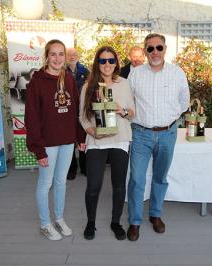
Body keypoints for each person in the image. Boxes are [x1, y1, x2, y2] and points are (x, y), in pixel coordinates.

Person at [127, 33, 190, 241]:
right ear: (145, 51)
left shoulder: (177, 73)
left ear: (165, 49)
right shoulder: (135, 74)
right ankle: (135, 221)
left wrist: (168, 119)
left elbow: (184, 103)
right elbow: (128, 102)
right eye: (150, 48)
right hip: (141, 134)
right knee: (136, 179)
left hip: (167, 134)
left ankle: (155, 214)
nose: (155, 52)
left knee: (160, 178)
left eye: (159, 48)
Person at [25, 40, 84, 241]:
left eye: (61, 54)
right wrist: (38, 149)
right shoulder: (37, 82)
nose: (57, 58)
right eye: (53, 54)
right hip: (47, 144)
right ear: (47, 56)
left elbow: (75, 111)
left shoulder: (68, 79)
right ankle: (45, 223)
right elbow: (31, 118)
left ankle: (58, 218)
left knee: (61, 182)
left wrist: (79, 137)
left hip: (67, 141)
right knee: (45, 183)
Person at [79, 46, 135, 240]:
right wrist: (92, 131)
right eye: (103, 61)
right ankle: (91, 222)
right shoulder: (89, 86)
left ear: (116, 63)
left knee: (119, 185)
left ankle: (115, 222)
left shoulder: (124, 84)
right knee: (93, 185)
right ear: (97, 63)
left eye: (111, 60)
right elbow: (82, 117)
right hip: (97, 141)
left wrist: (122, 111)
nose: (107, 64)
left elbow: (132, 113)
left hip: (120, 140)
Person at [66, 47, 89, 180]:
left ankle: (85, 167)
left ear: (78, 56)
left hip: (82, 110)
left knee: (83, 139)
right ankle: (71, 169)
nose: (72, 57)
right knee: (69, 141)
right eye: (69, 55)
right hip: (68, 111)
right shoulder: (62, 72)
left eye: (74, 54)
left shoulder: (85, 71)